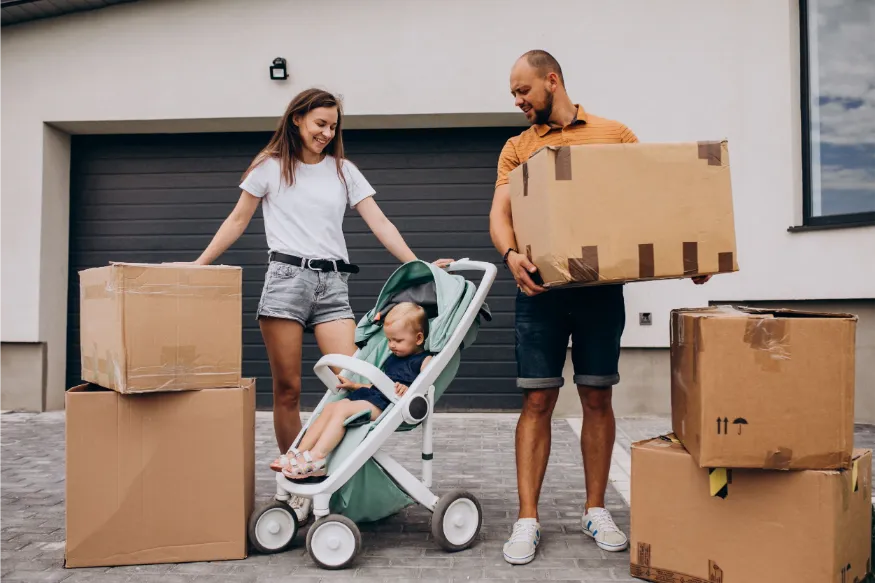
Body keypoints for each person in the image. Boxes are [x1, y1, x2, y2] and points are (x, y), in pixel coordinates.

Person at [489, 50, 711, 566]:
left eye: (524, 92)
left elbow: (649, 207)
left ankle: (595, 509)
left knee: (596, 399)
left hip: (599, 293)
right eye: (514, 95)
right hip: (539, 293)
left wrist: (689, 258)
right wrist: (510, 254)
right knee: (537, 403)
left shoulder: (614, 135)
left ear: (552, 81)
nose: (519, 102)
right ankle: (528, 519)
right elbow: (500, 213)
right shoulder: (517, 148)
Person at [190, 88, 450, 523]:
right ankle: (297, 489)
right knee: (288, 389)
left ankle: (331, 469)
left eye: (333, 126)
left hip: (333, 284)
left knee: (352, 380)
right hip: (285, 281)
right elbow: (237, 219)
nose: (327, 133)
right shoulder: (269, 168)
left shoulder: (343, 171)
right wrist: (199, 265)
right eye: (319, 124)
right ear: (297, 119)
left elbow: (380, 221)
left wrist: (419, 265)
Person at [270, 301, 433, 479]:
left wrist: (408, 388)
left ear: (418, 338)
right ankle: (298, 452)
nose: (392, 345)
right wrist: (354, 385)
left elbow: (425, 384)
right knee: (331, 407)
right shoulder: (393, 358)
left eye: (398, 340)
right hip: (374, 396)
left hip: (389, 404)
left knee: (342, 409)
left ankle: (317, 457)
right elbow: (379, 385)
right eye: (389, 340)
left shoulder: (424, 360)